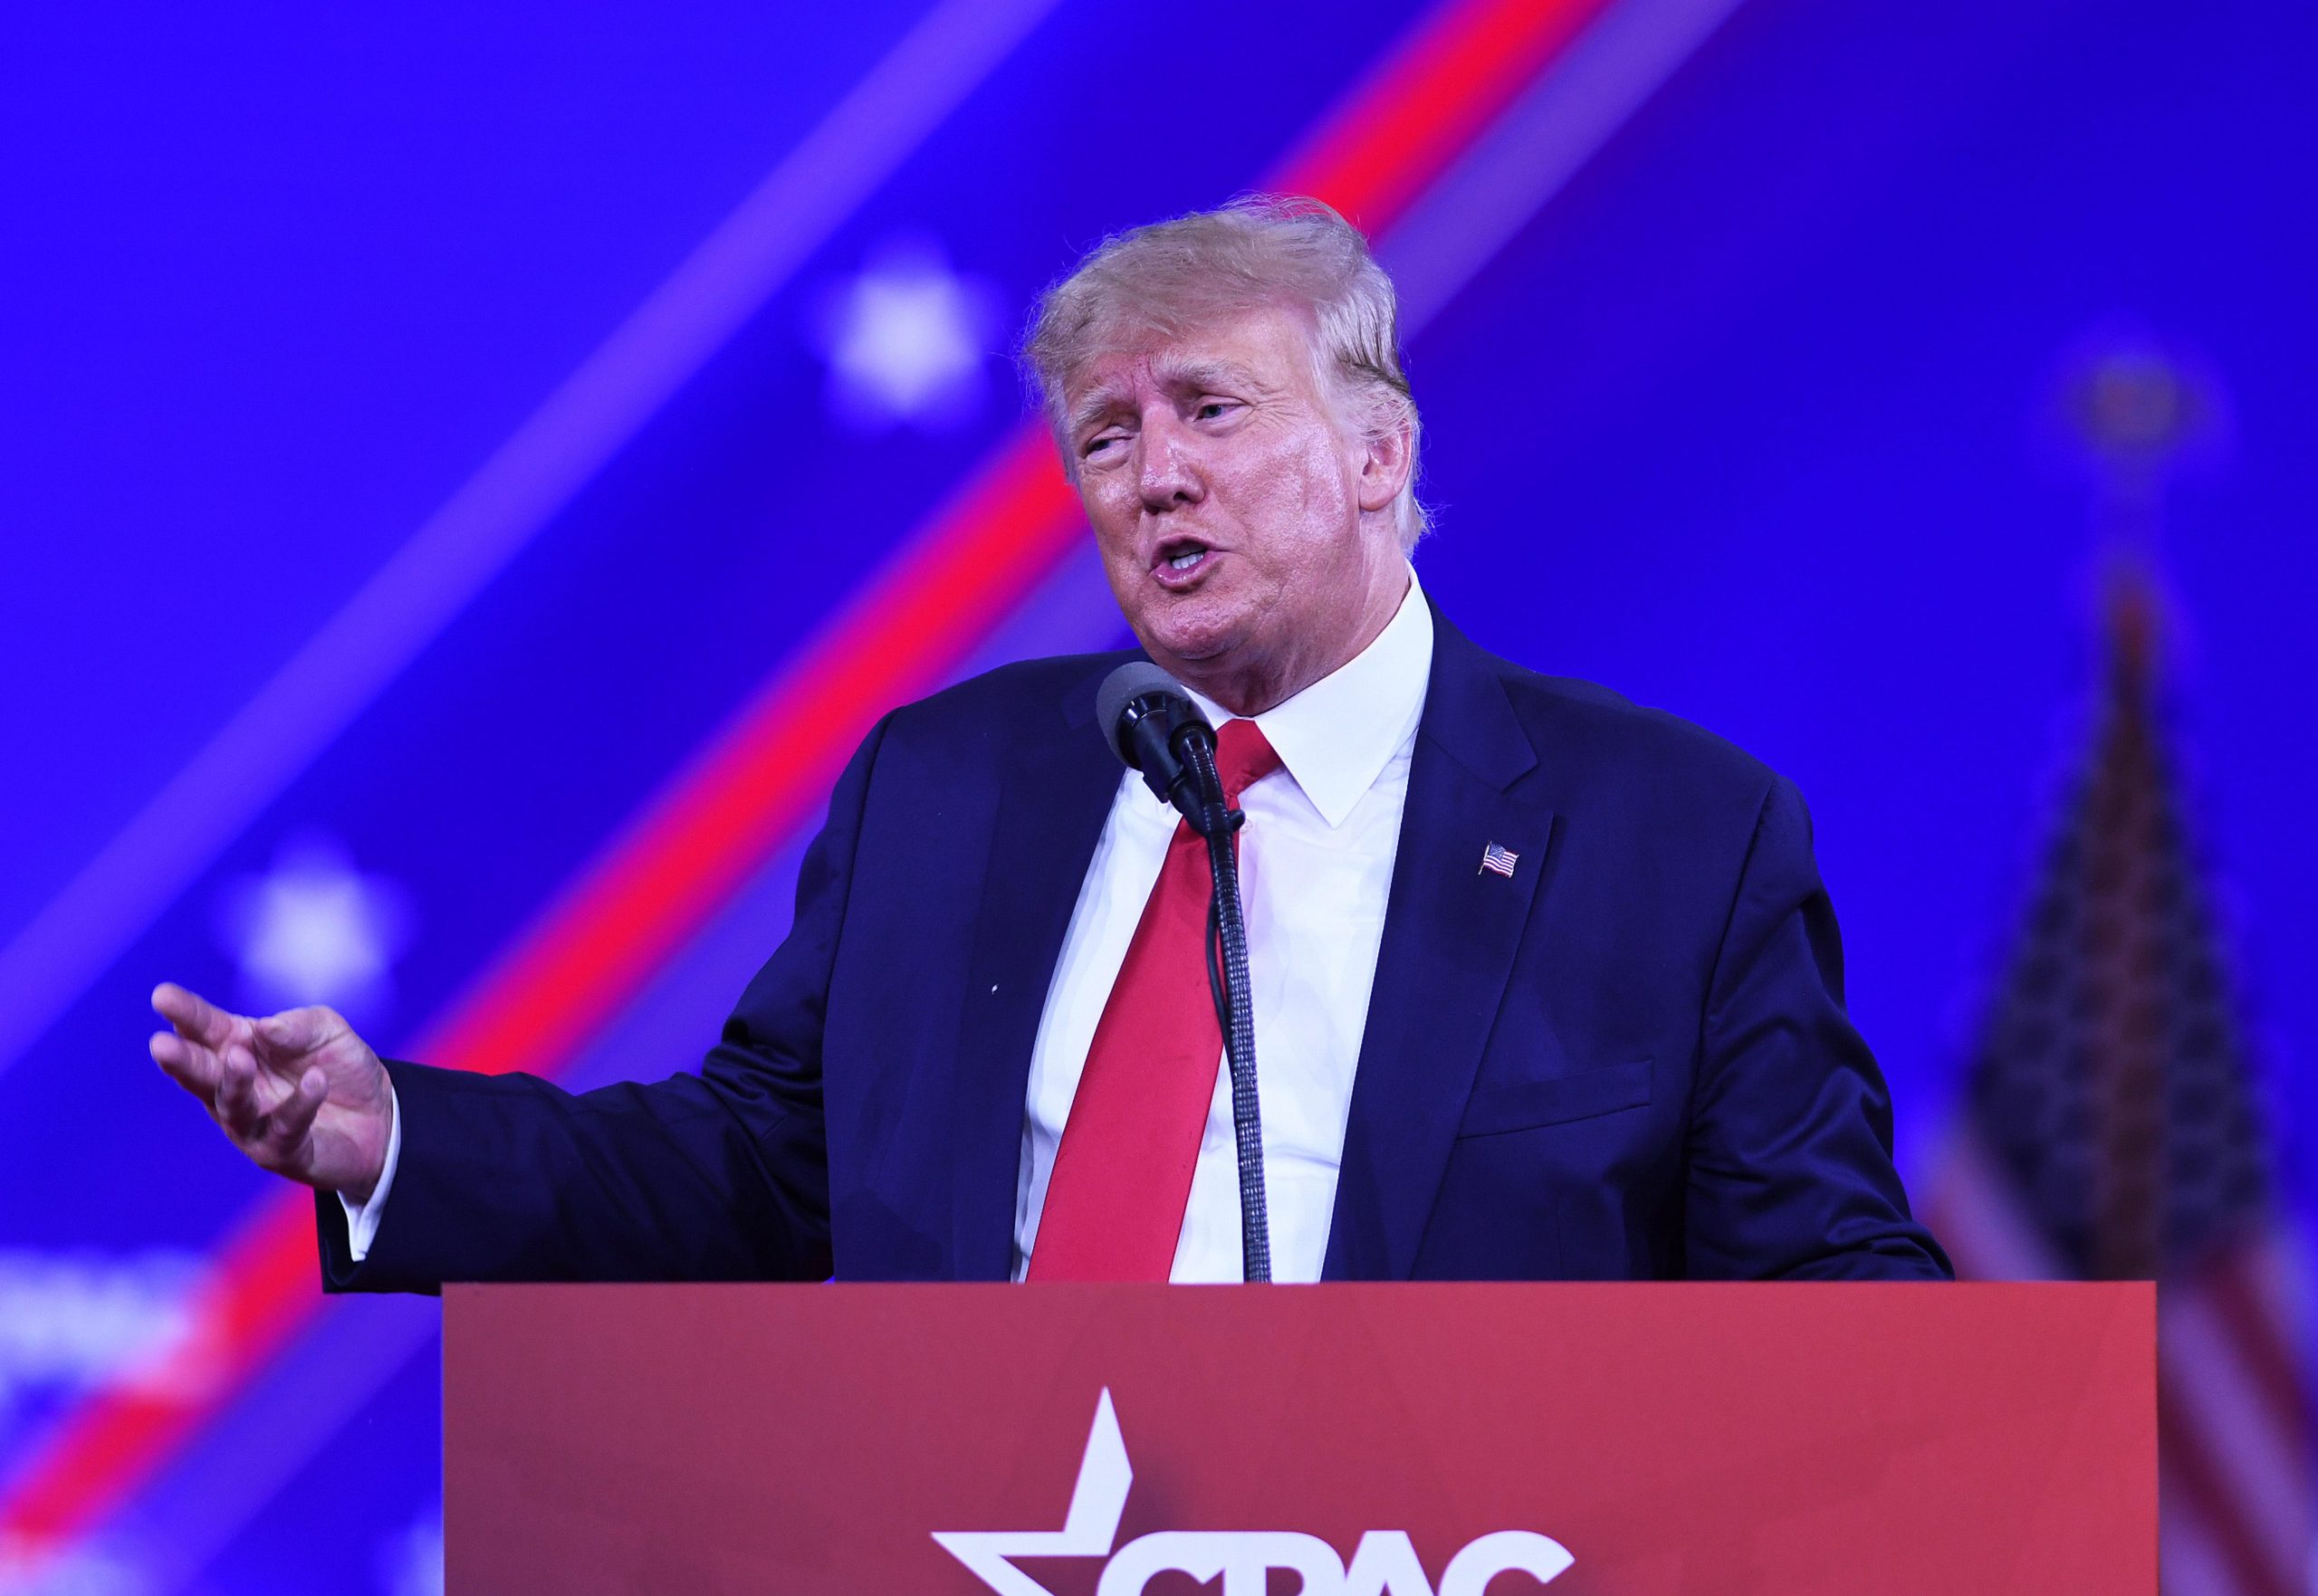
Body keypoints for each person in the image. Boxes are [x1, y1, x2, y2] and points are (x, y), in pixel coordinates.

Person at [150, 196, 1949, 1287]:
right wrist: (395, 1138)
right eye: (1104, 437)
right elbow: (762, 1172)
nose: (1152, 472)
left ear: (1377, 454)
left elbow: (1810, 1275)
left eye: (1211, 412)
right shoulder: (948, 786)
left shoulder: (1667, 837)